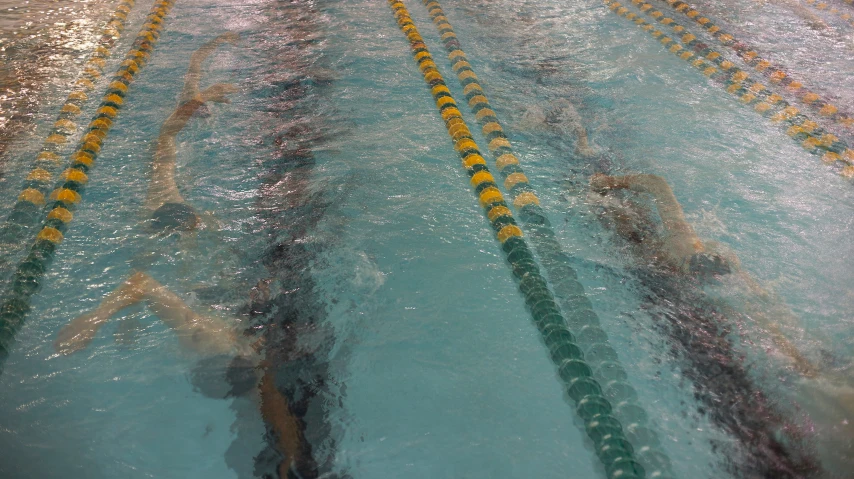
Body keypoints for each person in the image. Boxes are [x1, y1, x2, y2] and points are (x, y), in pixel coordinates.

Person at [53, 33, 319, 478]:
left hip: (209, 289)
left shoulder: (172, 207)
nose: (194, 224)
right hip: (209, 293)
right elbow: (165, 146)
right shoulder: (165, 206)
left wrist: (205, 54)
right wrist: (104, 319)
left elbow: (170, 138)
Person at [589, 171, 854, 474]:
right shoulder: (682, 249)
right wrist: (611, 183)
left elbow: (656, 185)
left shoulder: (682, 247)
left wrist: (608, 184)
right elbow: (657, 184)